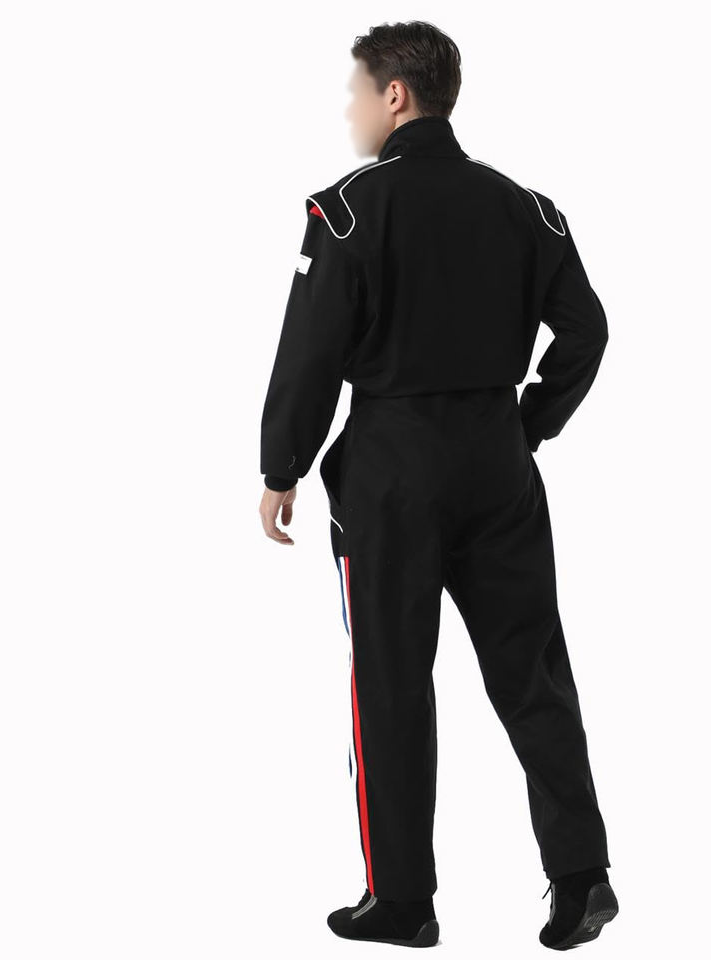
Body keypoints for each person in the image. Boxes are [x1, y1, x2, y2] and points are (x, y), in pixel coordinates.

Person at [258, 20, 619, 950]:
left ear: (395, 95)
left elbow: (310, 356)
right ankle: (582, 878)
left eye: (357, 90)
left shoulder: (346, 212)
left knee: (390, 680)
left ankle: (403, 902)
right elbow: (586, 331)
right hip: (500, 465)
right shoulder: (528, 209)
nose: (349, 108)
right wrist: (527, 424)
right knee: (533, 674)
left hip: (392, 470)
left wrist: (281, 465)